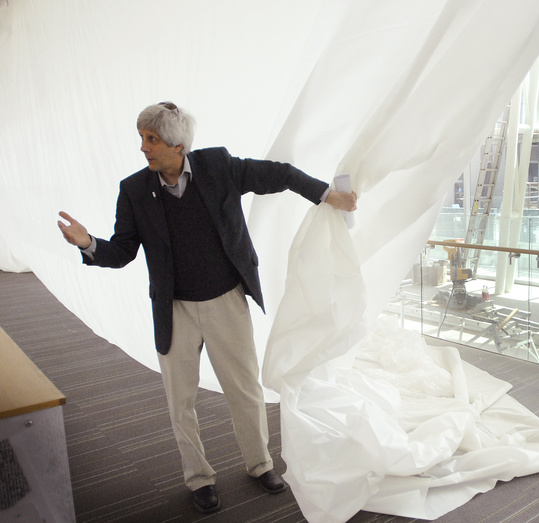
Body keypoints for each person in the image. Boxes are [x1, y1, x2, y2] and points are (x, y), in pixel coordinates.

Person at [57, 101, 357, 514]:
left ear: (178, 145)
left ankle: (260, 465)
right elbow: (123, 251)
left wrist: (327, 195)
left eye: (151, 139)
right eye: (141, 138)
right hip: (174, 309)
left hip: (225, 301)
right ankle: (199, 478)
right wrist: (88, 243)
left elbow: (282, 174)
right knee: (180, 401)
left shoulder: (218, 166)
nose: (143, 147)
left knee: (245, 390)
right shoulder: (134, 190)